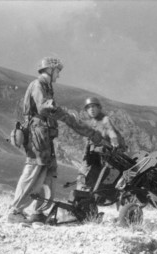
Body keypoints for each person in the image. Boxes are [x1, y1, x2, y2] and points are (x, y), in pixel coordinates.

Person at [8, 57, 103, 224]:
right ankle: (16, 210)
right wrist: (62, 113)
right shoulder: (38, 85)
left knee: (49, 173)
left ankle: (39, 212)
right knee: (33, 171)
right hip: (37, 135)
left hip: (45, 136)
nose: (58, 76)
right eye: (57, 71)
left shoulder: (46, 86)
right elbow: (44, 107)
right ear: (50, 70)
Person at [76, 97, 123, 191]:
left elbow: (111, 131)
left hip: (103, 156)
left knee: (94, 180)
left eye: (93, 106)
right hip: (91, 156)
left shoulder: (105, 119)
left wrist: (114, 140)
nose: (91, 109)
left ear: (99, 107)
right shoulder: (91, 122)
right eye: (88, 107)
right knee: (84, 178)